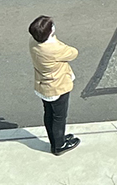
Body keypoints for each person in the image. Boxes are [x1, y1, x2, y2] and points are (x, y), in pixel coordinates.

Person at [27, 15, 79, 156]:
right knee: (59, 117)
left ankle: (55, 141)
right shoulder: (53, 48)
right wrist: (53, 39)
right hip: (57, 86)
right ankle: (59, 146)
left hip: (43, 85)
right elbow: (73, 52)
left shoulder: (33, 42)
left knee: (49, 114)